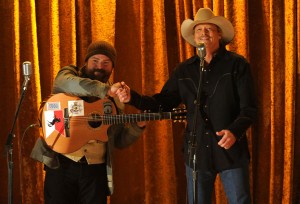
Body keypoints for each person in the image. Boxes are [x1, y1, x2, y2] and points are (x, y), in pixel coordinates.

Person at [117, 8, 257, 204]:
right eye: (199, 30)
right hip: (197, 153)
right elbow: (162, 103)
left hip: (230, 152)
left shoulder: (237, 65)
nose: (204, 34)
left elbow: (249, 108)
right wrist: (132, 97)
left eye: (209, 29)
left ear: (219, 34)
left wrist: (234, 132)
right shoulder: (183, 70)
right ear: (194, 36)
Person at [30, 40, 146, 204]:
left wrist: (137, 126)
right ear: (85, 62)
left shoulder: (115, 99)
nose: (100, 66)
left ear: (112, 67)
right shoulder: (70, 74)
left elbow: (118, 139)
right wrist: (105, 89)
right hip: (62, 164)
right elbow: (63, 83)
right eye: (95, 61)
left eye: (106, 63)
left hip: (95, 171)